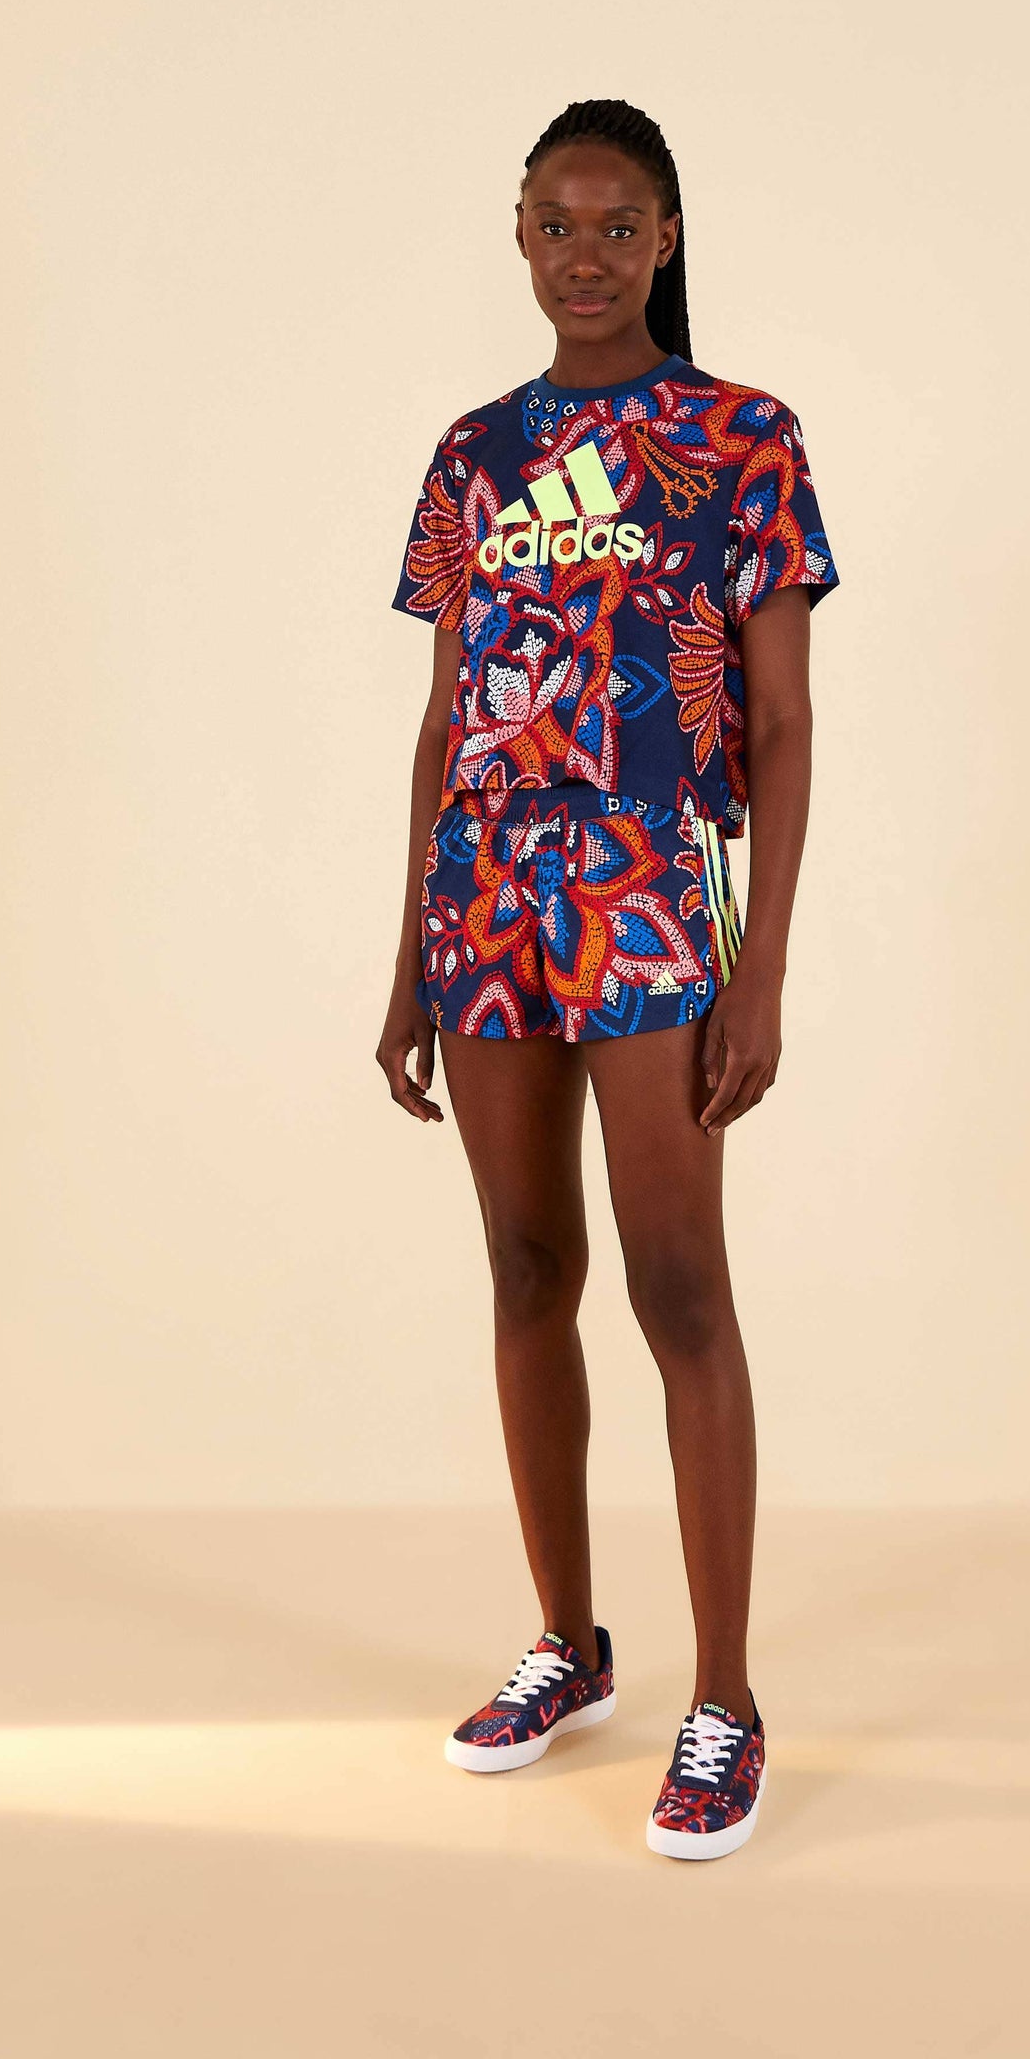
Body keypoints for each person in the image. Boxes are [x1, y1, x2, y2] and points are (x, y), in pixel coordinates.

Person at [376, 98, 839, 1861]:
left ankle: (724, 1704)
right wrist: (406, 957)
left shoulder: (742, 438)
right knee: (522, 1269)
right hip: (484, 903)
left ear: (665, 238)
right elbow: (446, 719)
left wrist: (760, 966)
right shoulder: (474, 454)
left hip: (647, 898)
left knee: (677, 1287)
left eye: (618, 225)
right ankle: (567, 1647)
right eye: (556, 225)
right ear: (518, 236)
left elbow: (779, 723)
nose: (585, 255)